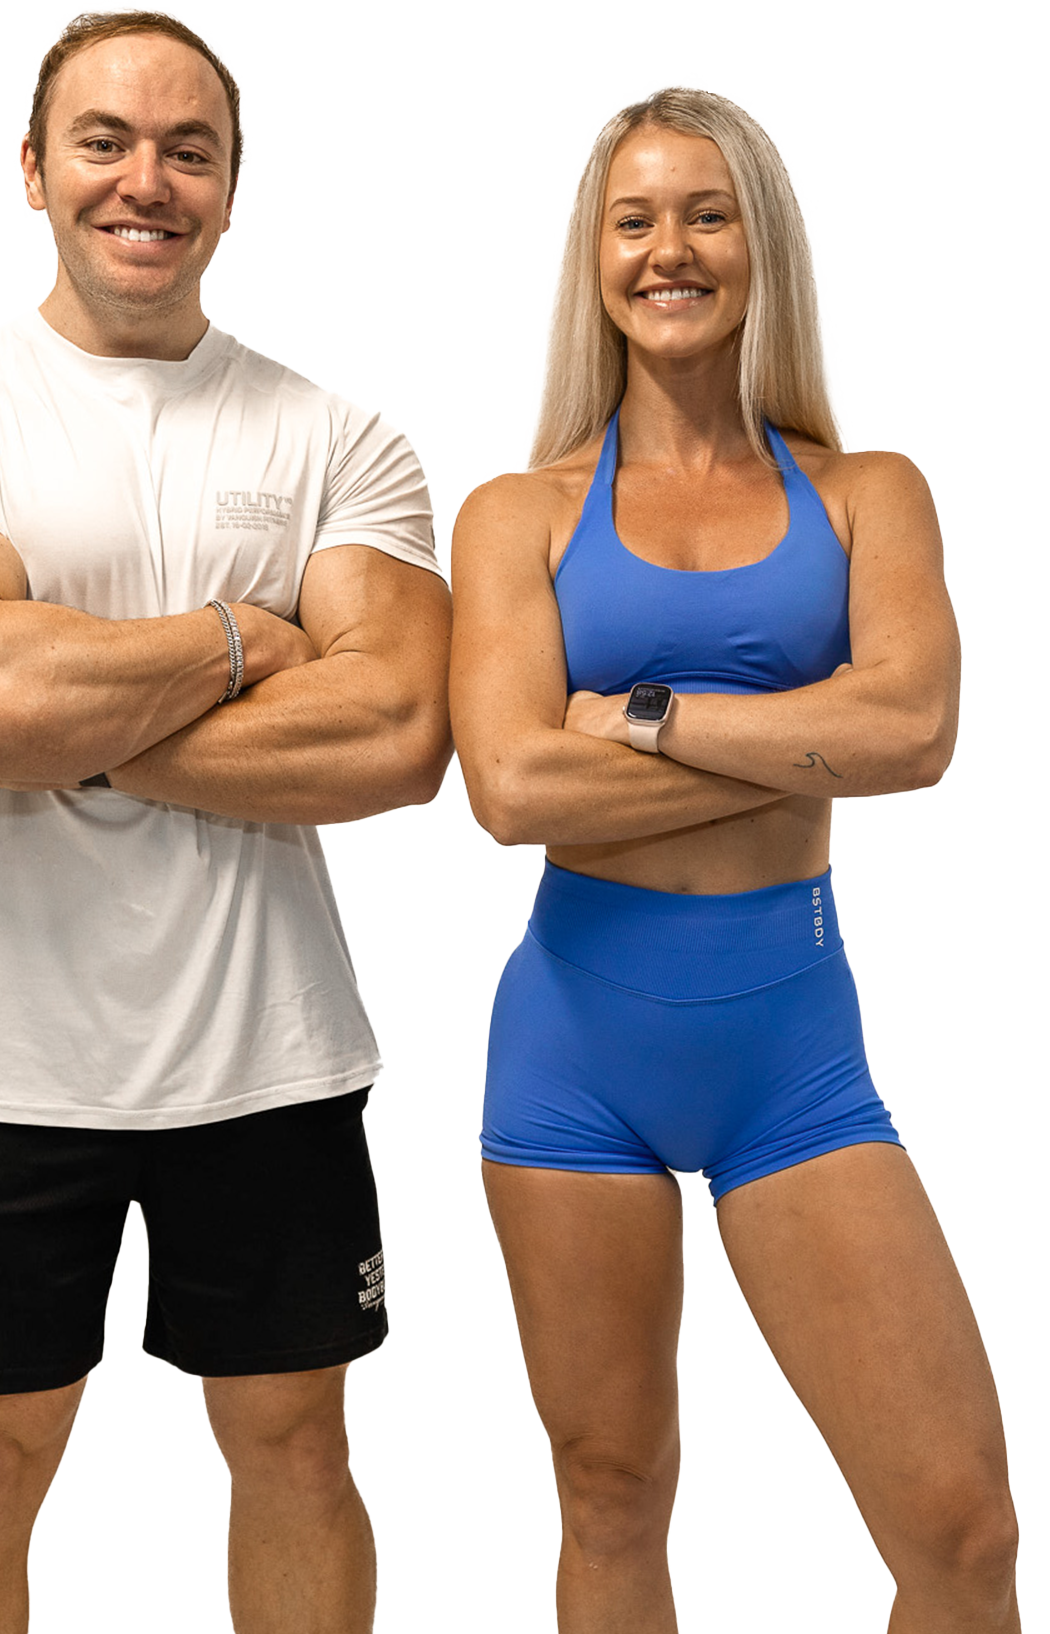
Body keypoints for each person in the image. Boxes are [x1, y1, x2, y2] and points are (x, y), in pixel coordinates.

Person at [0, 10, 451, 1634]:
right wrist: (245, 638)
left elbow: (397, 726)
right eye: (104, 141)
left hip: (269, 1051)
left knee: (299, 1449)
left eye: (189, 150)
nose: (146, 182)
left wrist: (78, 731)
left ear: (232, 184)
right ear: (33, 170)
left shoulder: (335, 432)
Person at [450, 86, 1020, 1633]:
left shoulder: (867, 492)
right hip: (574, 1054)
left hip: (793, 1057)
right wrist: (798, 737)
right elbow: (510, 782)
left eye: (707, 215)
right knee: (611, 1491)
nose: (671, 251)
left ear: (761, 244)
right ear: (595, 260)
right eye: (635, 220)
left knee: (963, 1535)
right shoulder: (516, 514)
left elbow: (915, 730)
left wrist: (640, 717)